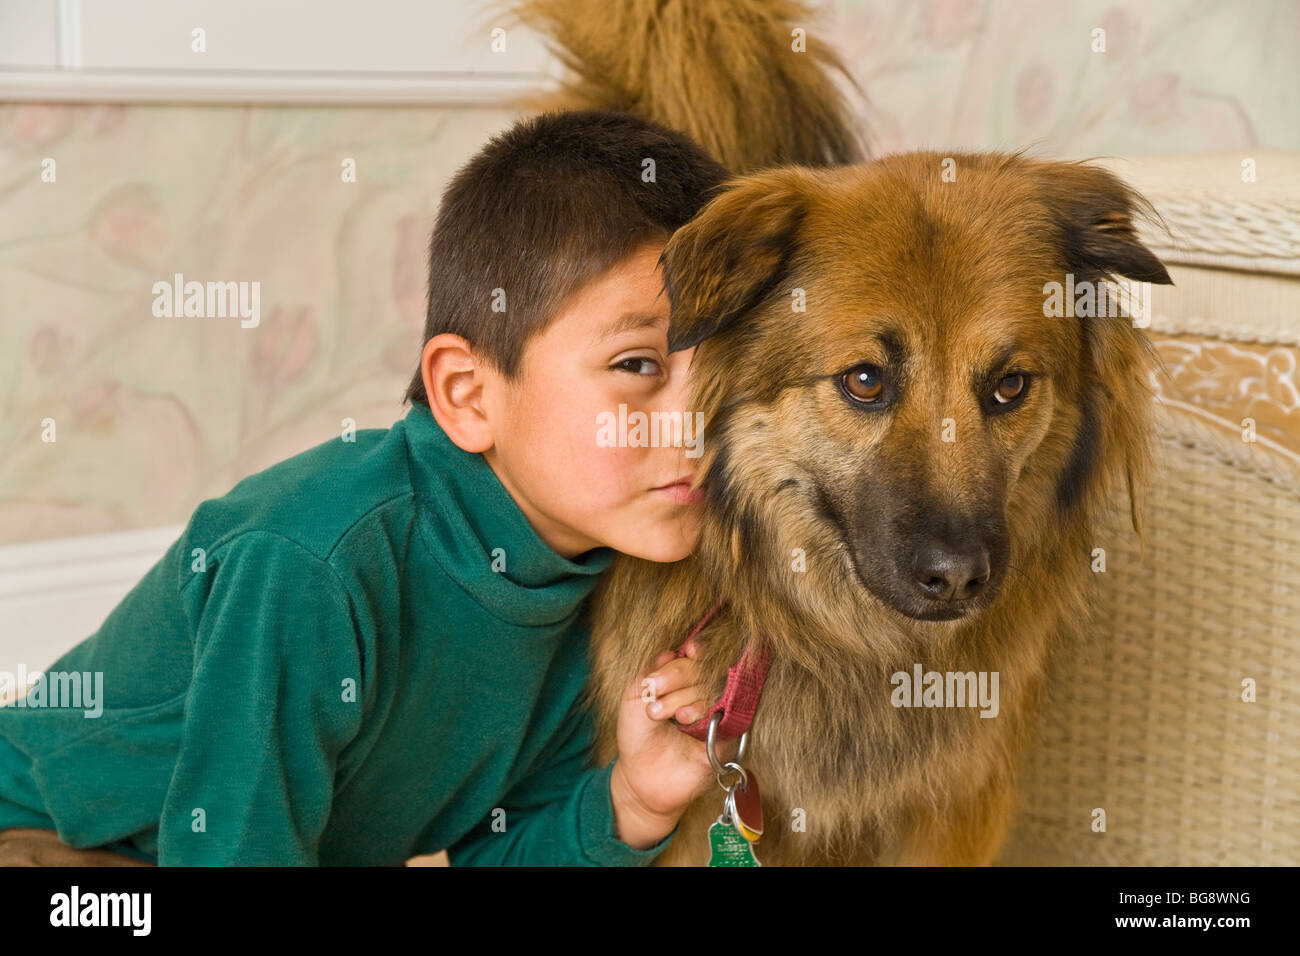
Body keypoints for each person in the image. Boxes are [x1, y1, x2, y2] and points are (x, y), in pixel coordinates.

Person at [0, 108, 734, 865]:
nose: (697, 424)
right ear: (469, 394)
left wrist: (631, 803)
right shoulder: (312, 560)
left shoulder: (603, 580)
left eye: (720, 373)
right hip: (54, 836)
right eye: (638, 365)